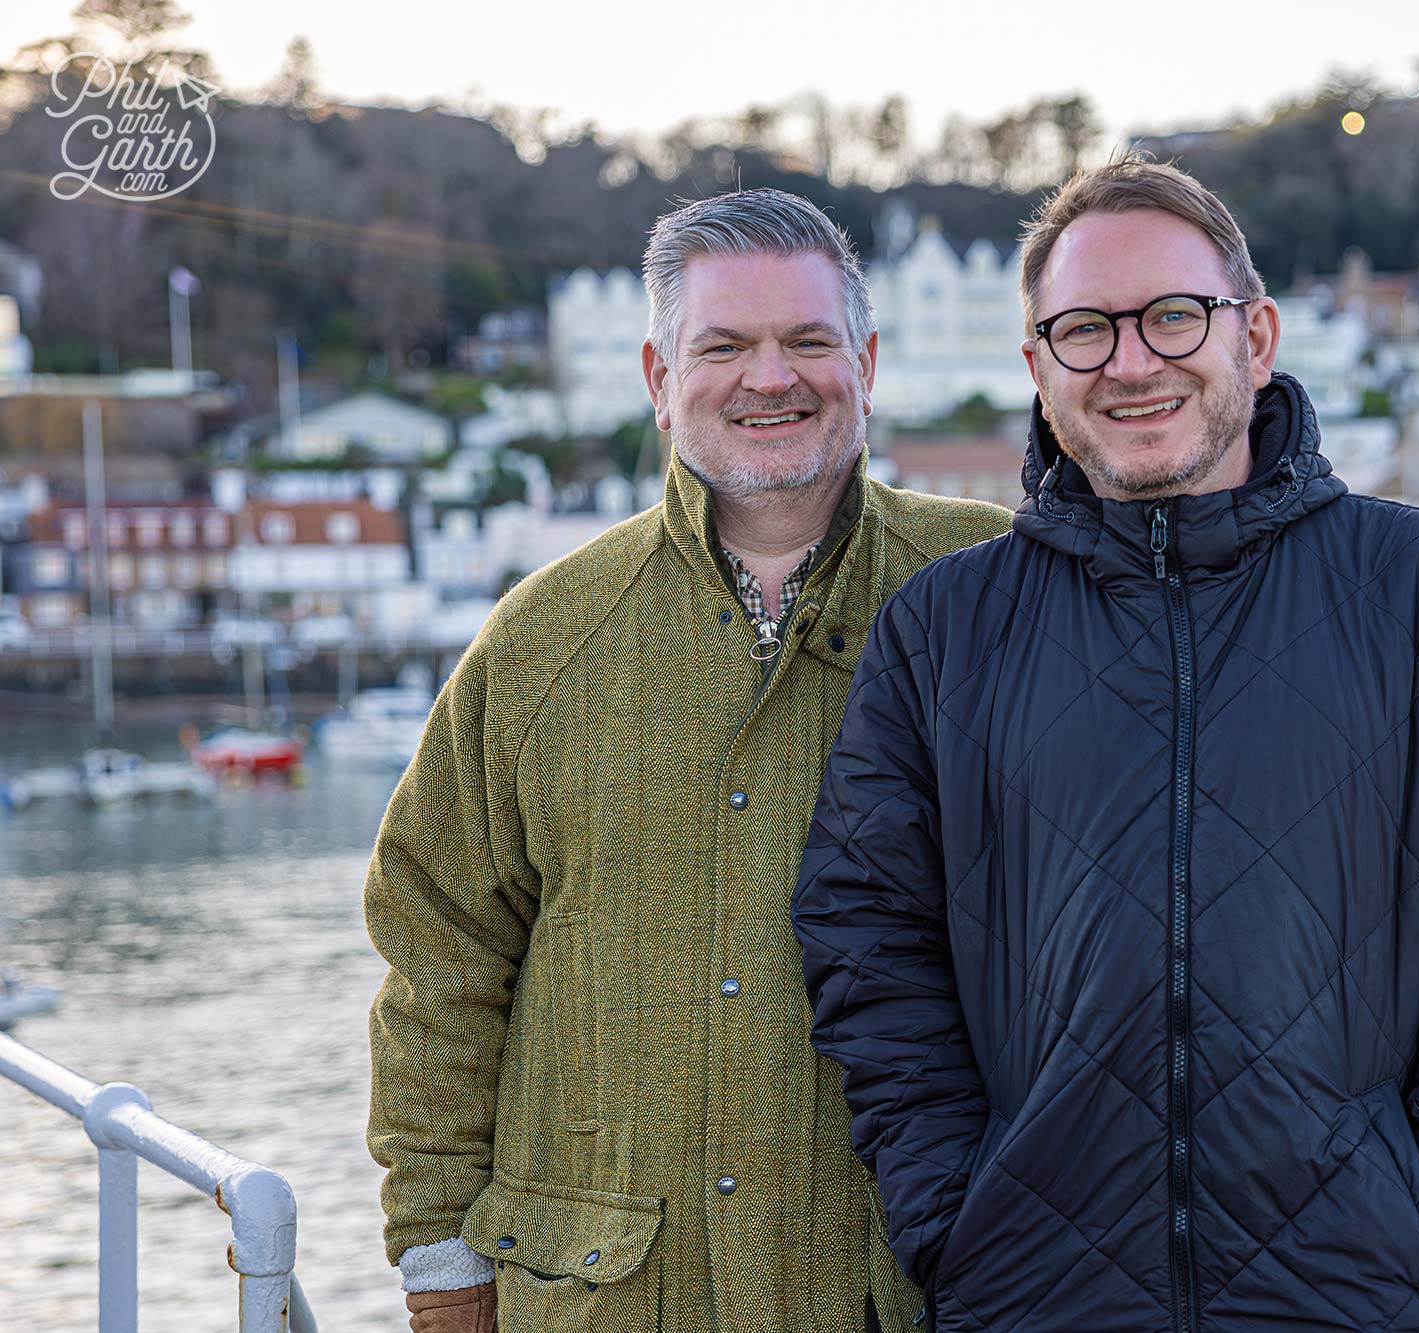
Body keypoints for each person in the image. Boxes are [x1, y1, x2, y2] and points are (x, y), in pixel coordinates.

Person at [795, 158, 1419, 1333]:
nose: (1131, 362)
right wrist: (955, 1219)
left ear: (1257, 335)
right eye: (1083, 330)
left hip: (1371, 1300)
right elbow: (867, 939)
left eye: (1173, 315)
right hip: (1032, 1298)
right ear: (1036, 368)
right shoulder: (944, 631)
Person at [366, 188, 1013, 1333]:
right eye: (724, 346)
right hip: (604, 1299)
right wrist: (439, 1267)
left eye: (808, 340)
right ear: (659, 379)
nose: (770, 377)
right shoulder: (542, 640)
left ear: (864, 361)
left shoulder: (997, 589)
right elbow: (438, 963)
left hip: (914, 1290)